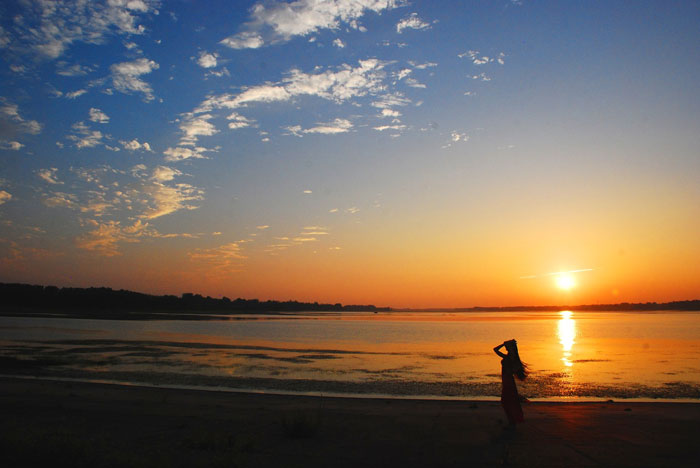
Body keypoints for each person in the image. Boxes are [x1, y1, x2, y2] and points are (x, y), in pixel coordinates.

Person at [493, 339, 528, 427]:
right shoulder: (508, 357)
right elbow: (495, 350)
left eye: (508, 346)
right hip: (506, 380)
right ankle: (511, 421)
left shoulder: (511, 357)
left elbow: (514, 368)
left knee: (507, 401)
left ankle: (512, 422)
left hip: (508, 381)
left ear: (511, 347)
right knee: (507, 401)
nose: (506, 347)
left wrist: (510, 371)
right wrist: (503, 344)